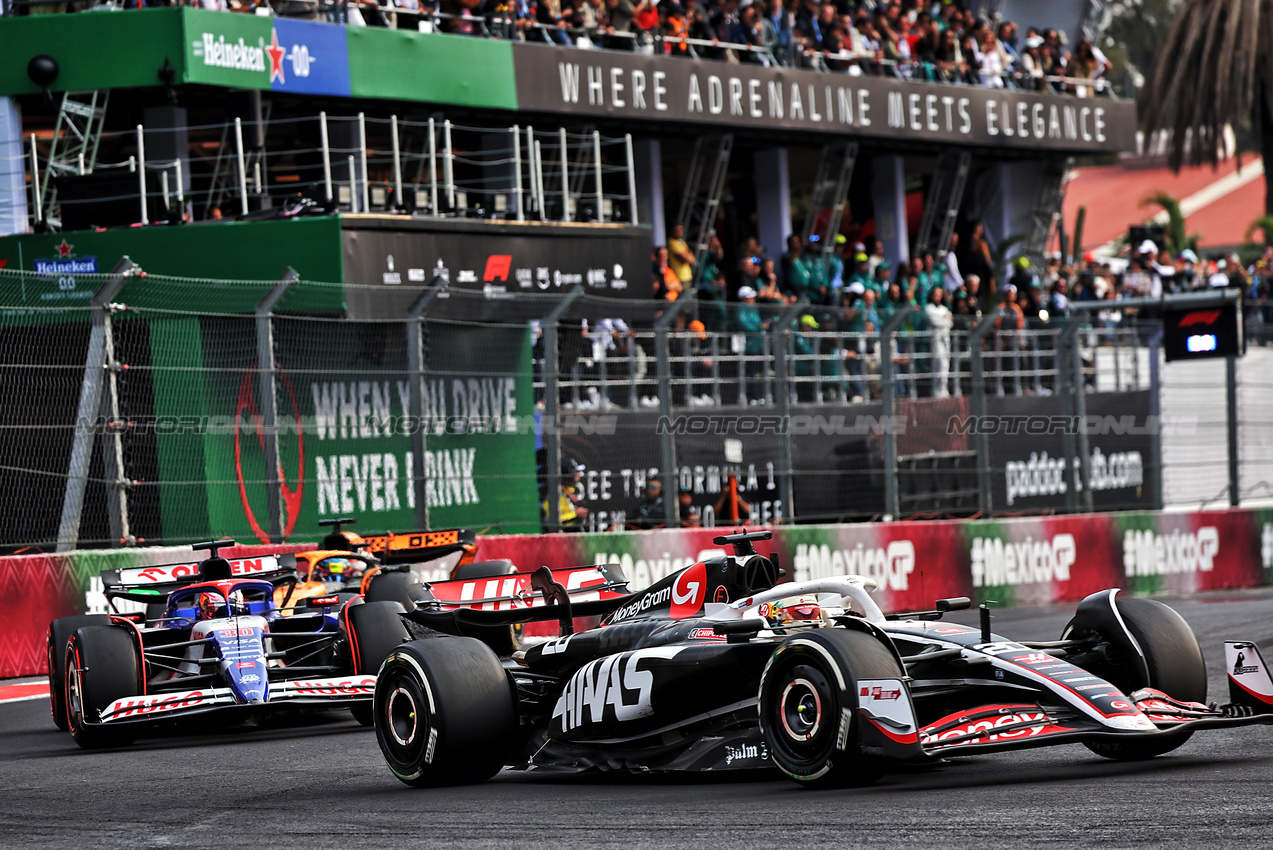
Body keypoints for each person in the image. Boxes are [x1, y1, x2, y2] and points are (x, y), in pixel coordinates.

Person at [543, 459, 589, 531]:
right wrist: (575, 514)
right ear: (569, 473)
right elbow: (552, 521)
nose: (579, 474)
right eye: (576, 471)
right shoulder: (555, 494)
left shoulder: (569, 492)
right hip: (559, 539)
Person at [925, 286, 953, 397]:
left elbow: (951, 322)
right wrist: (945, 320)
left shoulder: (944, 309)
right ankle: (936, 391)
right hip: (935, 339)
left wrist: (945, 321)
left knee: (946, 364)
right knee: (939, 364)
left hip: (946, 339)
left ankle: (944, 389)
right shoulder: (929, 308)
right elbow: (935, 321)